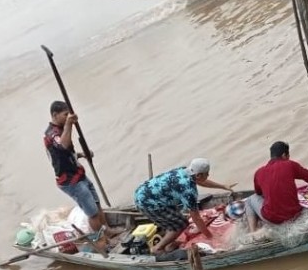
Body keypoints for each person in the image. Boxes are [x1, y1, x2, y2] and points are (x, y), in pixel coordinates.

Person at [43, 101, 122, 241]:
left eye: (68, 114)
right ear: (55, 115)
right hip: (69, 181)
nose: (68, 117)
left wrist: (81, 154)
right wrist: (69, 124)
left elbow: (66, 153)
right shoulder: (51, 134)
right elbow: (63, 145)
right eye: (65, 114)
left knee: (97, 204)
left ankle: (107, 230)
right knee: (91, 212)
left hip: (79, 174)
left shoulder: (62, 128)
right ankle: (102, 239)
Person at [134, 158, 236, 254]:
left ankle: (169, 242)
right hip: (148, 203)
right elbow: (196, 218)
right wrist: (210, 236)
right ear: (198, 175)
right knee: (181, 224)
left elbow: (201, 181)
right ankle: (158, 248)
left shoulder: (185, 171)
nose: (208, 175)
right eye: (207, 174)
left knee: (174, 220)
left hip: (146, 192)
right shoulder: (189, 191)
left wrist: (223, 186)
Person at [245, 141, 308, 233]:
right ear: (284, 155)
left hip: (273, 219)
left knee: (250, 200)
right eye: (288, 156)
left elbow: (258, 193)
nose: (289, 158)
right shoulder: (290, 165)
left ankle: (253, 232)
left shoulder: (259, 173)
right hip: (294, 214)